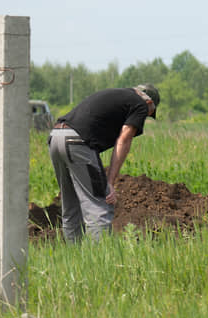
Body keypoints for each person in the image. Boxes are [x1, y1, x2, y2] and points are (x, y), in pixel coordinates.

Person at [48, 84, 159, 242]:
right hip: (77, 142)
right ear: (149, 103)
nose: (144, 118)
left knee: (71, 206)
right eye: (149, 114)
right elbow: (124, 140)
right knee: (100, 205)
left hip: (56, 136)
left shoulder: (119, 95)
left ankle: (74, 259)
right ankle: (100, 260)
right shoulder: (140, 104)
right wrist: (110, 183)